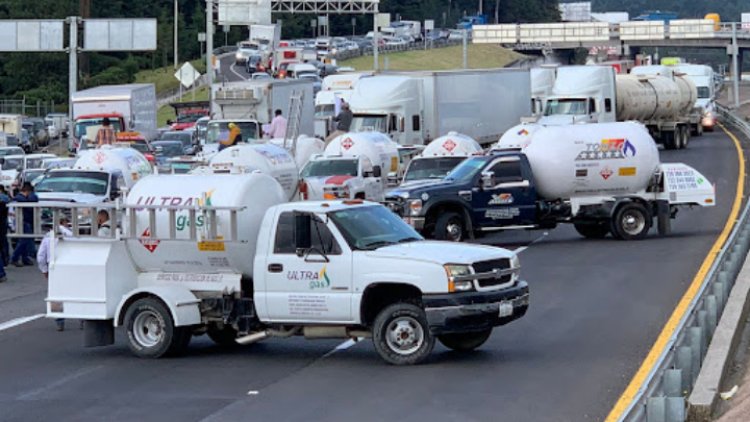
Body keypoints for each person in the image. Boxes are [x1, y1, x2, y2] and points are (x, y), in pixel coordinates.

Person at [37, 218, 73, 330]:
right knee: (75, 291)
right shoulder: (71, 234)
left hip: (53, 266)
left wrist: (44, 270)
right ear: (64, 223)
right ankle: (82, 319)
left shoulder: (48, 236)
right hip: (70, 265)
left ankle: (59, 320)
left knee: (56, 294)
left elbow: (41, 256)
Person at [11, 182, 38, 267]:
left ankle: (24, 257)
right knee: (24, 240)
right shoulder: (21, 199)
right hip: (23, 221)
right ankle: (15, 258)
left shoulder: (18, 198)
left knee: (24, 240)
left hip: (21, 221)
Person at [0, 185, 10, 266]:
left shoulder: (3, 198)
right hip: (3, 221)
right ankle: (5, 259)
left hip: (2, 221)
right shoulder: (5, 198)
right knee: (4, 241)